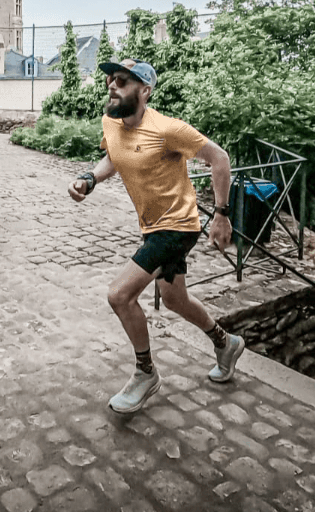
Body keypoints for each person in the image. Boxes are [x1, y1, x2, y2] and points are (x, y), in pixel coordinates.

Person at [68, 58, 245, 414]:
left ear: (145, 91)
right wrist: (90, 178)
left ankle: (145, 373)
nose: (111, 85)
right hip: (153, 227)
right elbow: (115, 158)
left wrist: (222, 215)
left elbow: (220, 159)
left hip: (178, 227)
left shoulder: (167, 129)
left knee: (119, 295)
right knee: (175, 298)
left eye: (122, 80)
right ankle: (226, 343)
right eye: (110, 79)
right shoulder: (112, 122)